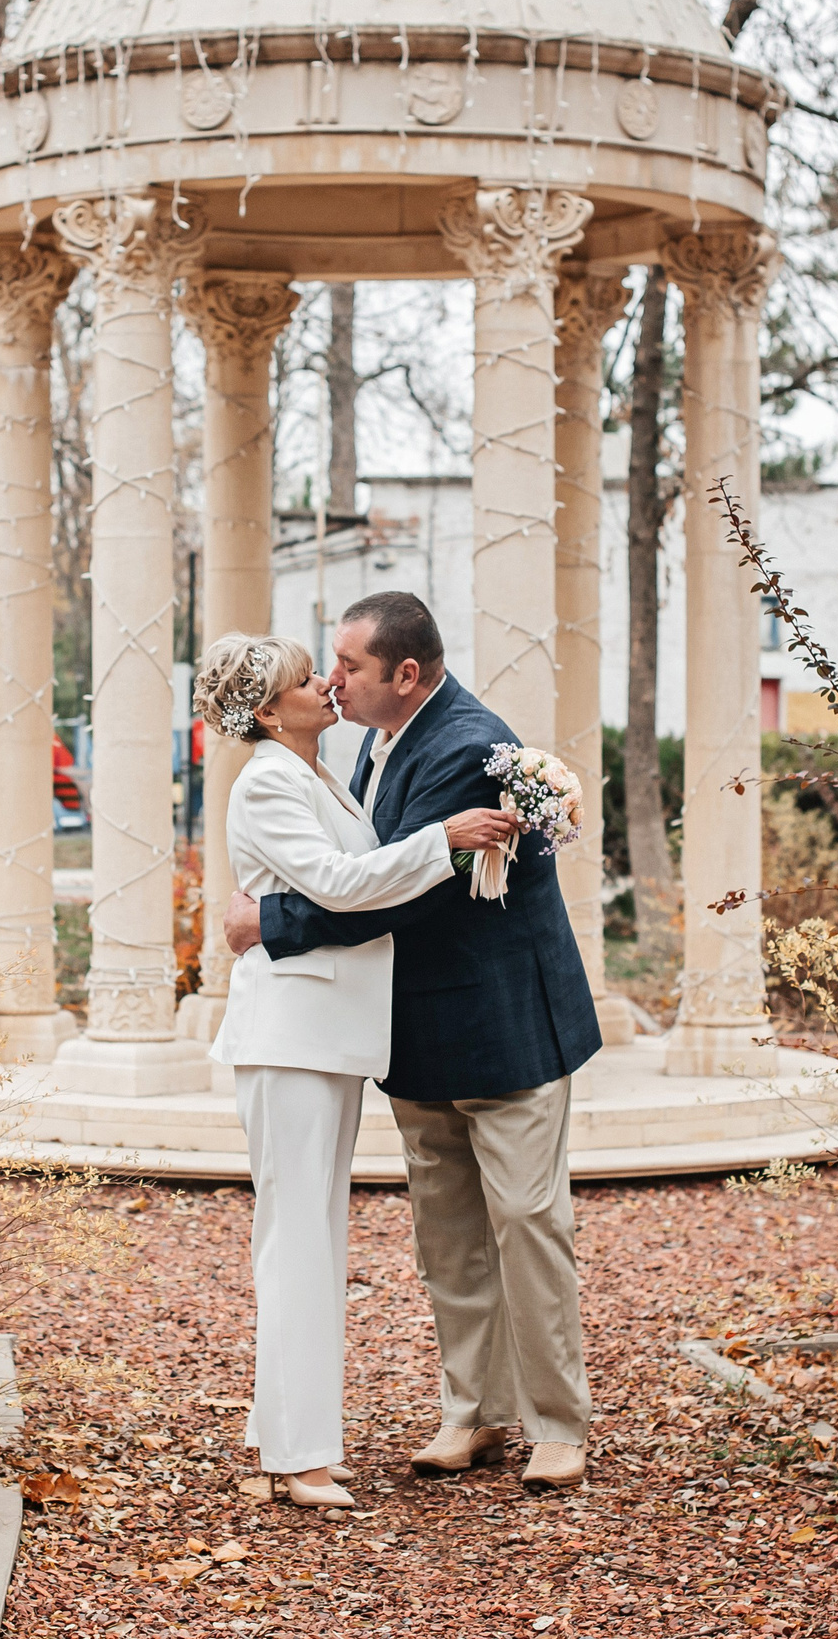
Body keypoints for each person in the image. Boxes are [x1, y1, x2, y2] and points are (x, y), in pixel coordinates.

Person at [224, 591, 603, 1491]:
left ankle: (556, 1424)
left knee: (527, 1225)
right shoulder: (365, 741)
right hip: (419, 1032)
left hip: (504, 1028)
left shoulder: (468, 746)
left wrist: (266, 921)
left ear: (405, 673)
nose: (332, 679)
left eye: (348, 666)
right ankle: (472, 1412)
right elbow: (364, 869)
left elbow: (397, 887)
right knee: (447, 1237)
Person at [194, 632, 518, 1511]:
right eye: (307, 680)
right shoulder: (266, 777)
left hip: (324, 1038)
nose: (327, 686)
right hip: (290, 1037)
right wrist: (443, 839)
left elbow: (337, 881)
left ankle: (286, 1435)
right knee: (297, 1244)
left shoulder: (315, 772)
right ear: (267, 710)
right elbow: (341, 884)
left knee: (312, 1241)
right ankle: (297, 1460)